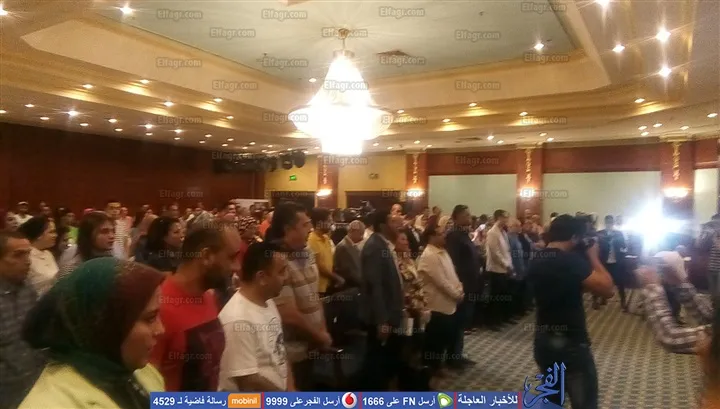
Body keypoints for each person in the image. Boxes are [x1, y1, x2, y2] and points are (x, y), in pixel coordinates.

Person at [19, 258, 166, 409]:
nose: (161, 329)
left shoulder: (137, 372)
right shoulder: (48, 404)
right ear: (106, 324)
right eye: (150, 318)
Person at [527, 215, 614, 409]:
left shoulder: (537, 258)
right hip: (571, 344)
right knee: (584, 403)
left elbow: (568, 285)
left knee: (552, 399)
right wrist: (593, 256)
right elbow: (608, 290)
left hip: (543, 340)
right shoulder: (569, 261)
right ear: (575, 237)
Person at [150, 222, 242, 392]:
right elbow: (145, 390)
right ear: (206, 256)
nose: (237, 267)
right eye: (231, 258)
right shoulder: (157, 308)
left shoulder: (209, 297)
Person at [267, 202, 331, 391]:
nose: (310, 229)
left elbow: (314, 295)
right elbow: (287, 313)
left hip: (312, 347)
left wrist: (322, 330)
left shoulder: (307, 252)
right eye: (305, 225)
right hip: (291, 354)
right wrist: (318, 335)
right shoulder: (275, 259)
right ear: (288, 229)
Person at [218, 241, 294, 392]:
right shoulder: (238, 320)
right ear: (262, 277)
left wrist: (291, 389)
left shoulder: (267, 301)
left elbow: (279, 352)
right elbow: (248, 381)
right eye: (281, 272)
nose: (287, 277)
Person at [359, 210, 405, 391]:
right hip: (380, 317)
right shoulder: (374, 247)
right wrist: (382, 321)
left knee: (386, 360)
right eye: (393, 221)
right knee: (376, 363)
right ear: (383, 226)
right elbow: (375, 286)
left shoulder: (383, 244)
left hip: (389, 313)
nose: (398, 225)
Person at [0, 231, 45, 409]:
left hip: (34, 385)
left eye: (28, 254)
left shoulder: (28, 290)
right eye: (18, 255)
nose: (27, 261)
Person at [418, 220, 463, 378]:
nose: (445, 236)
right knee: (435, 340)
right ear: (431, 237)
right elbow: (441, 282)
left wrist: (459, 288)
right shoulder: (429, 255)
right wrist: (456, 294)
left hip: (448, 303)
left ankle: (438, 365)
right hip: (436, 304)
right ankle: (431, 368)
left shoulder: (442, 251)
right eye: (441, 233)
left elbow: (452, 274)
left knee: (444, 337)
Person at [444, 205, 479, 367]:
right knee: (457, 322)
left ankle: (458, 353)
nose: (469, 217)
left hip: (470, 284)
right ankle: (453, 357)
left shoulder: (464, 235)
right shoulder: (453, 236)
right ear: (456, 217)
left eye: (469, 214)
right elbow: (454, 263)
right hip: (461, 285)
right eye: (465, 215)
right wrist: (459, 286)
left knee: (463, 322)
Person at [58, 211, 115, 278]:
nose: (112, 236)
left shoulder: (114, 263)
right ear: (88, 234)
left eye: (113, 231)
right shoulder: (72, 268)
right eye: (104, 232)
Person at [485, 209, 513, 331]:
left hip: (504, 268)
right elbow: (495, 253)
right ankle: (492, 322)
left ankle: (501, 319)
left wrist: (509, 265)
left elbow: (506, 250)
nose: (507, 220)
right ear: (499, 218)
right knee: (496, 297)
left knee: (503, 295)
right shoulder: (492, 232)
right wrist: (506, 264)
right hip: (495, 269)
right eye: (505, 217)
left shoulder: (503, 231)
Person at [17, 216, 58, 297]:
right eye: (51, 232)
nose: (56, 235)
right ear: (39, 235)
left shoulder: (48, 254)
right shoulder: (26, 257)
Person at [308, 208, 344, 295]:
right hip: (318, 288)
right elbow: (320, 267)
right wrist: (337, 278)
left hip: (328, 284)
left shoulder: (326, 238)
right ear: (320, 223)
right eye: (329, 221)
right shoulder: (312, 240)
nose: (332, 223)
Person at [596, 215, 628, 311]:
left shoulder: (619, 233)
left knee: (620, 282)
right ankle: (600, 299)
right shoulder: (599, 234)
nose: (609, 224)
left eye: (611, 222)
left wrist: (616, 241)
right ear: (605, 222)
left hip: (616, 261)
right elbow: (596, 247)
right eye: (608, 222)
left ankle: (623, 302)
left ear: (613, 223)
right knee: (601, 281)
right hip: (603, 262)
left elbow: (624, 246)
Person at [333, 220, 365, 289]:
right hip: (349, 286)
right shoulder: (344, 247)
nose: (362, 238)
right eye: (361, 234)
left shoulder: (351, 246)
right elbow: (348, 272)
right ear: (353, 231)